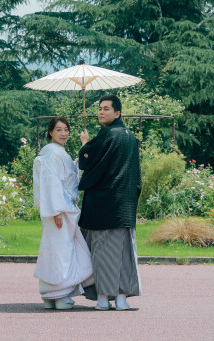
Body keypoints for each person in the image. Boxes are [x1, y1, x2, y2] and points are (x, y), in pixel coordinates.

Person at [78, 94, 142, 311]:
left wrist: (85, 144)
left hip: (104, 205)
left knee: (103, 252)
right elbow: (136, 175)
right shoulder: (130, 136)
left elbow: (89, 162)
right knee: (124, 254)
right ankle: (122, 298)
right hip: (124, 206)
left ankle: (103, 298)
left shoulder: (108, 135)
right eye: (99, 108)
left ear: (117, 113)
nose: (101, 112)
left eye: (106, 109)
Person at [33, 116, 94, 310]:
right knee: (62, 251)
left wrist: (85, 146)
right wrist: (56, 210)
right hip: (59, 209)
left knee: (55, 249)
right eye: (59, 130)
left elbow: (69, 176)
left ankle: (51, 295)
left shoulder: (56, 153)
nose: (64, 133)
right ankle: (60, 295)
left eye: (66, 129)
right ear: (50, 132)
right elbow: (52, 184)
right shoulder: (52, 153)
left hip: (59, 207)